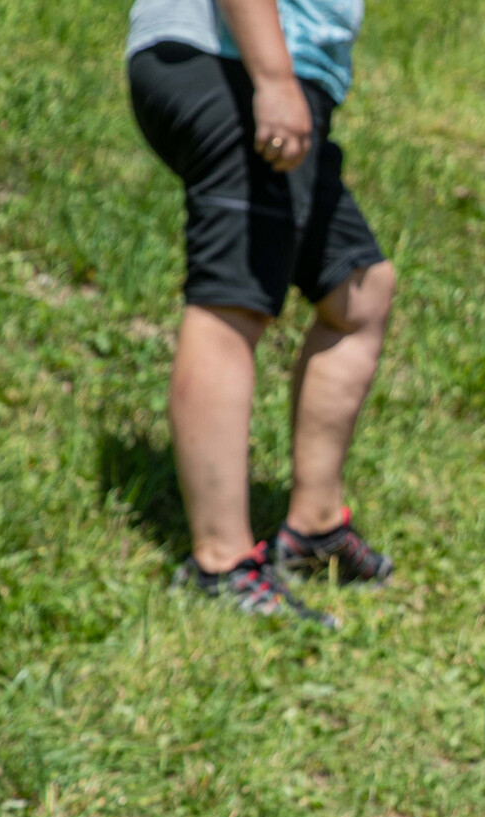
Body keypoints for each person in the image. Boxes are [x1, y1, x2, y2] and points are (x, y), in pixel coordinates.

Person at [127, 0, 396, 628]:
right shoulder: (261, 72)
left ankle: (315, 530)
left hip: (269, 67)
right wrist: (273, 78)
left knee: (359, 289)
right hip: (236, 64)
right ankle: (220, 563)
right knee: (232, 305)